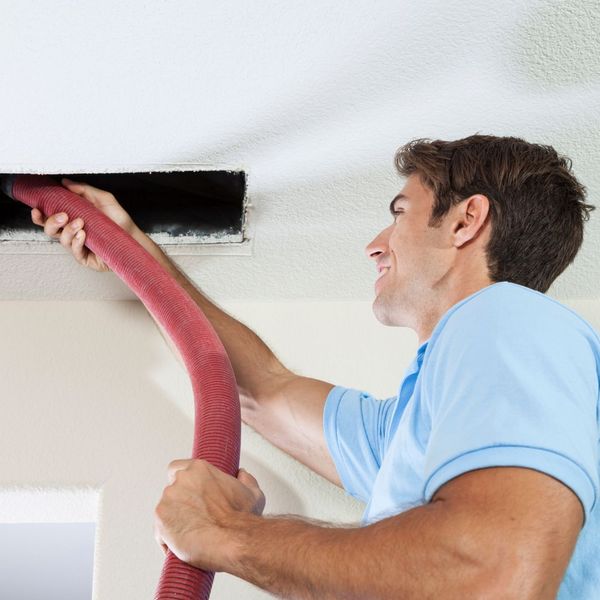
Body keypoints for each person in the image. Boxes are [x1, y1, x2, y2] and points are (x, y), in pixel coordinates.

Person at [32, 134, 599, 599]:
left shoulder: (508, 318)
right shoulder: (416, 430)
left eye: (399, 214)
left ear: (466, 220)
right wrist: (132, 248)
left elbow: (493, 573)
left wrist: (225, 531)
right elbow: (262, 391)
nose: (375, 246)